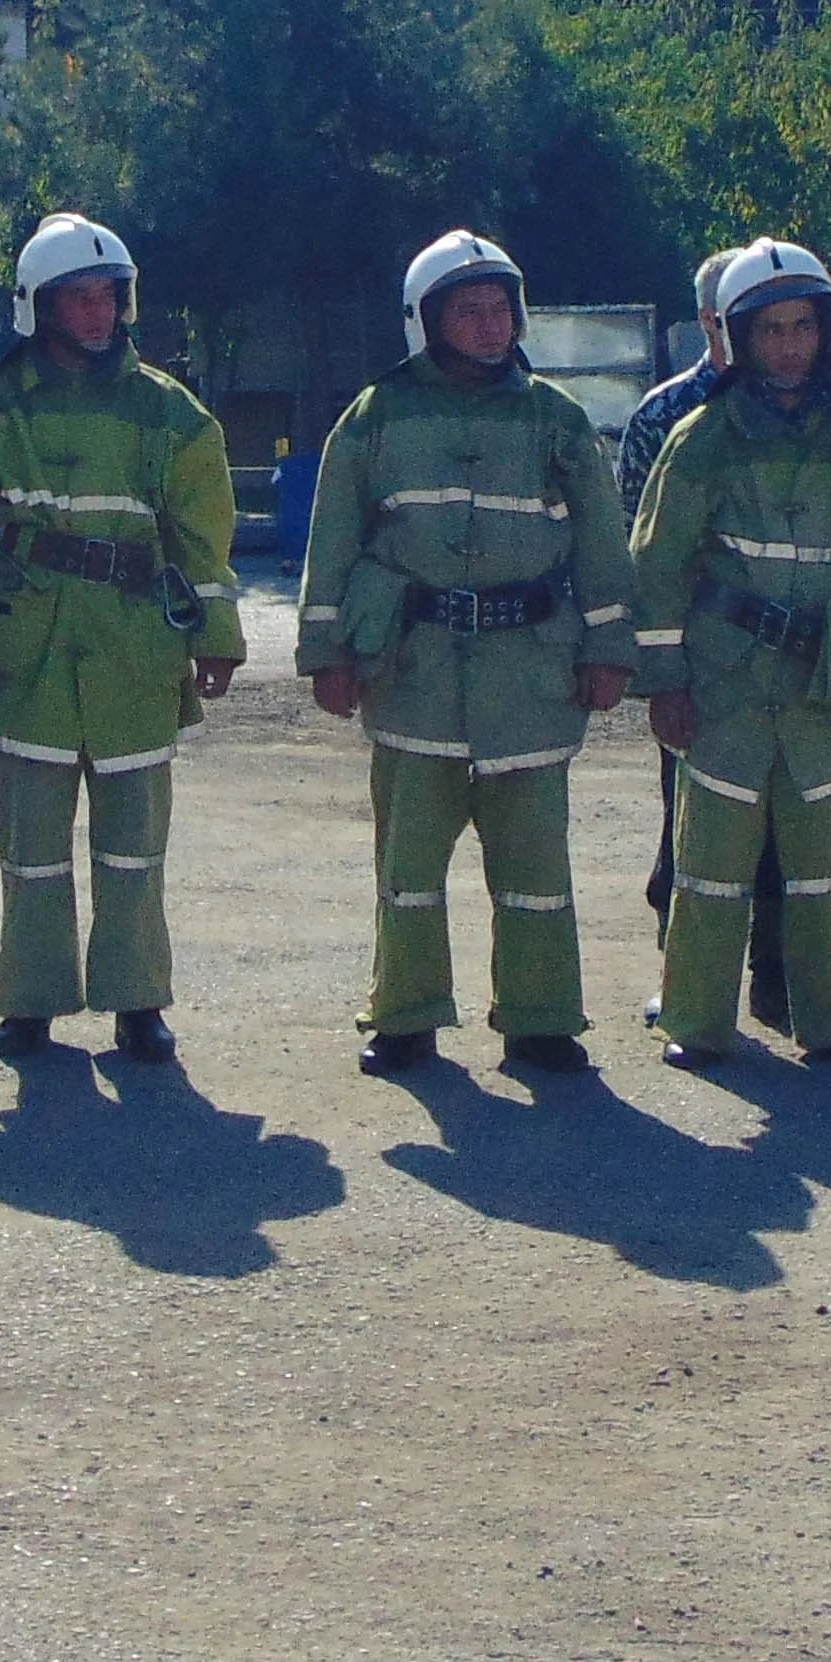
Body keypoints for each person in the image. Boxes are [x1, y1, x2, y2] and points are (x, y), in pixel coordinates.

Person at [300, 230, 637, 1082]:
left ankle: (542, 1020)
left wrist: (610, 647)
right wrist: (326, 651)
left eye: (501, 310)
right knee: (408, 863)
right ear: (427, 320)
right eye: (469, 311)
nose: (491, 327)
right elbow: (334, 536)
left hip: (530, 672)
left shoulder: (556, 421)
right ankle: (405, 1017)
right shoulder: (376, 416)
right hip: (412, 669)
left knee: (535, 863)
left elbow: (601, 542)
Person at [0, 211, 243, 1056]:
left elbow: (203, 536)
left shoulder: (170, 414)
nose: (99, 315)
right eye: (80, 300)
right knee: (30, 841)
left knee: (135, 841)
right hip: (25, 646)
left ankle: (139, 1001)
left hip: (135, 649)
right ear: (38, 307)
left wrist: (215, 635)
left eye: (109, 297)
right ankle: (28, 998)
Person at [630, 239, 831, 1069]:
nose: (791, 345)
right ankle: (696, 1020)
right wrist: (662, 681)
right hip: (725, 682)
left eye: (804, 325)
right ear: (738, 335)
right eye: (771, 330)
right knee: (710, 862)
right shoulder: (700, 439)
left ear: (828, 328)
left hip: (825, 685)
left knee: (825, 862)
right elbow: (656, 565)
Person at [622, 250, 781, 1029]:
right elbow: (641, 550)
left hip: (787, 662)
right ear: (709, 323)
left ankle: (782, 985)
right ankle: (682, 978)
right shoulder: (665, 416)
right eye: (731, 319)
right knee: (685, 828)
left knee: (791, 829)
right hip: (698, 664)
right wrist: (661, 672)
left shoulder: (808, 408)